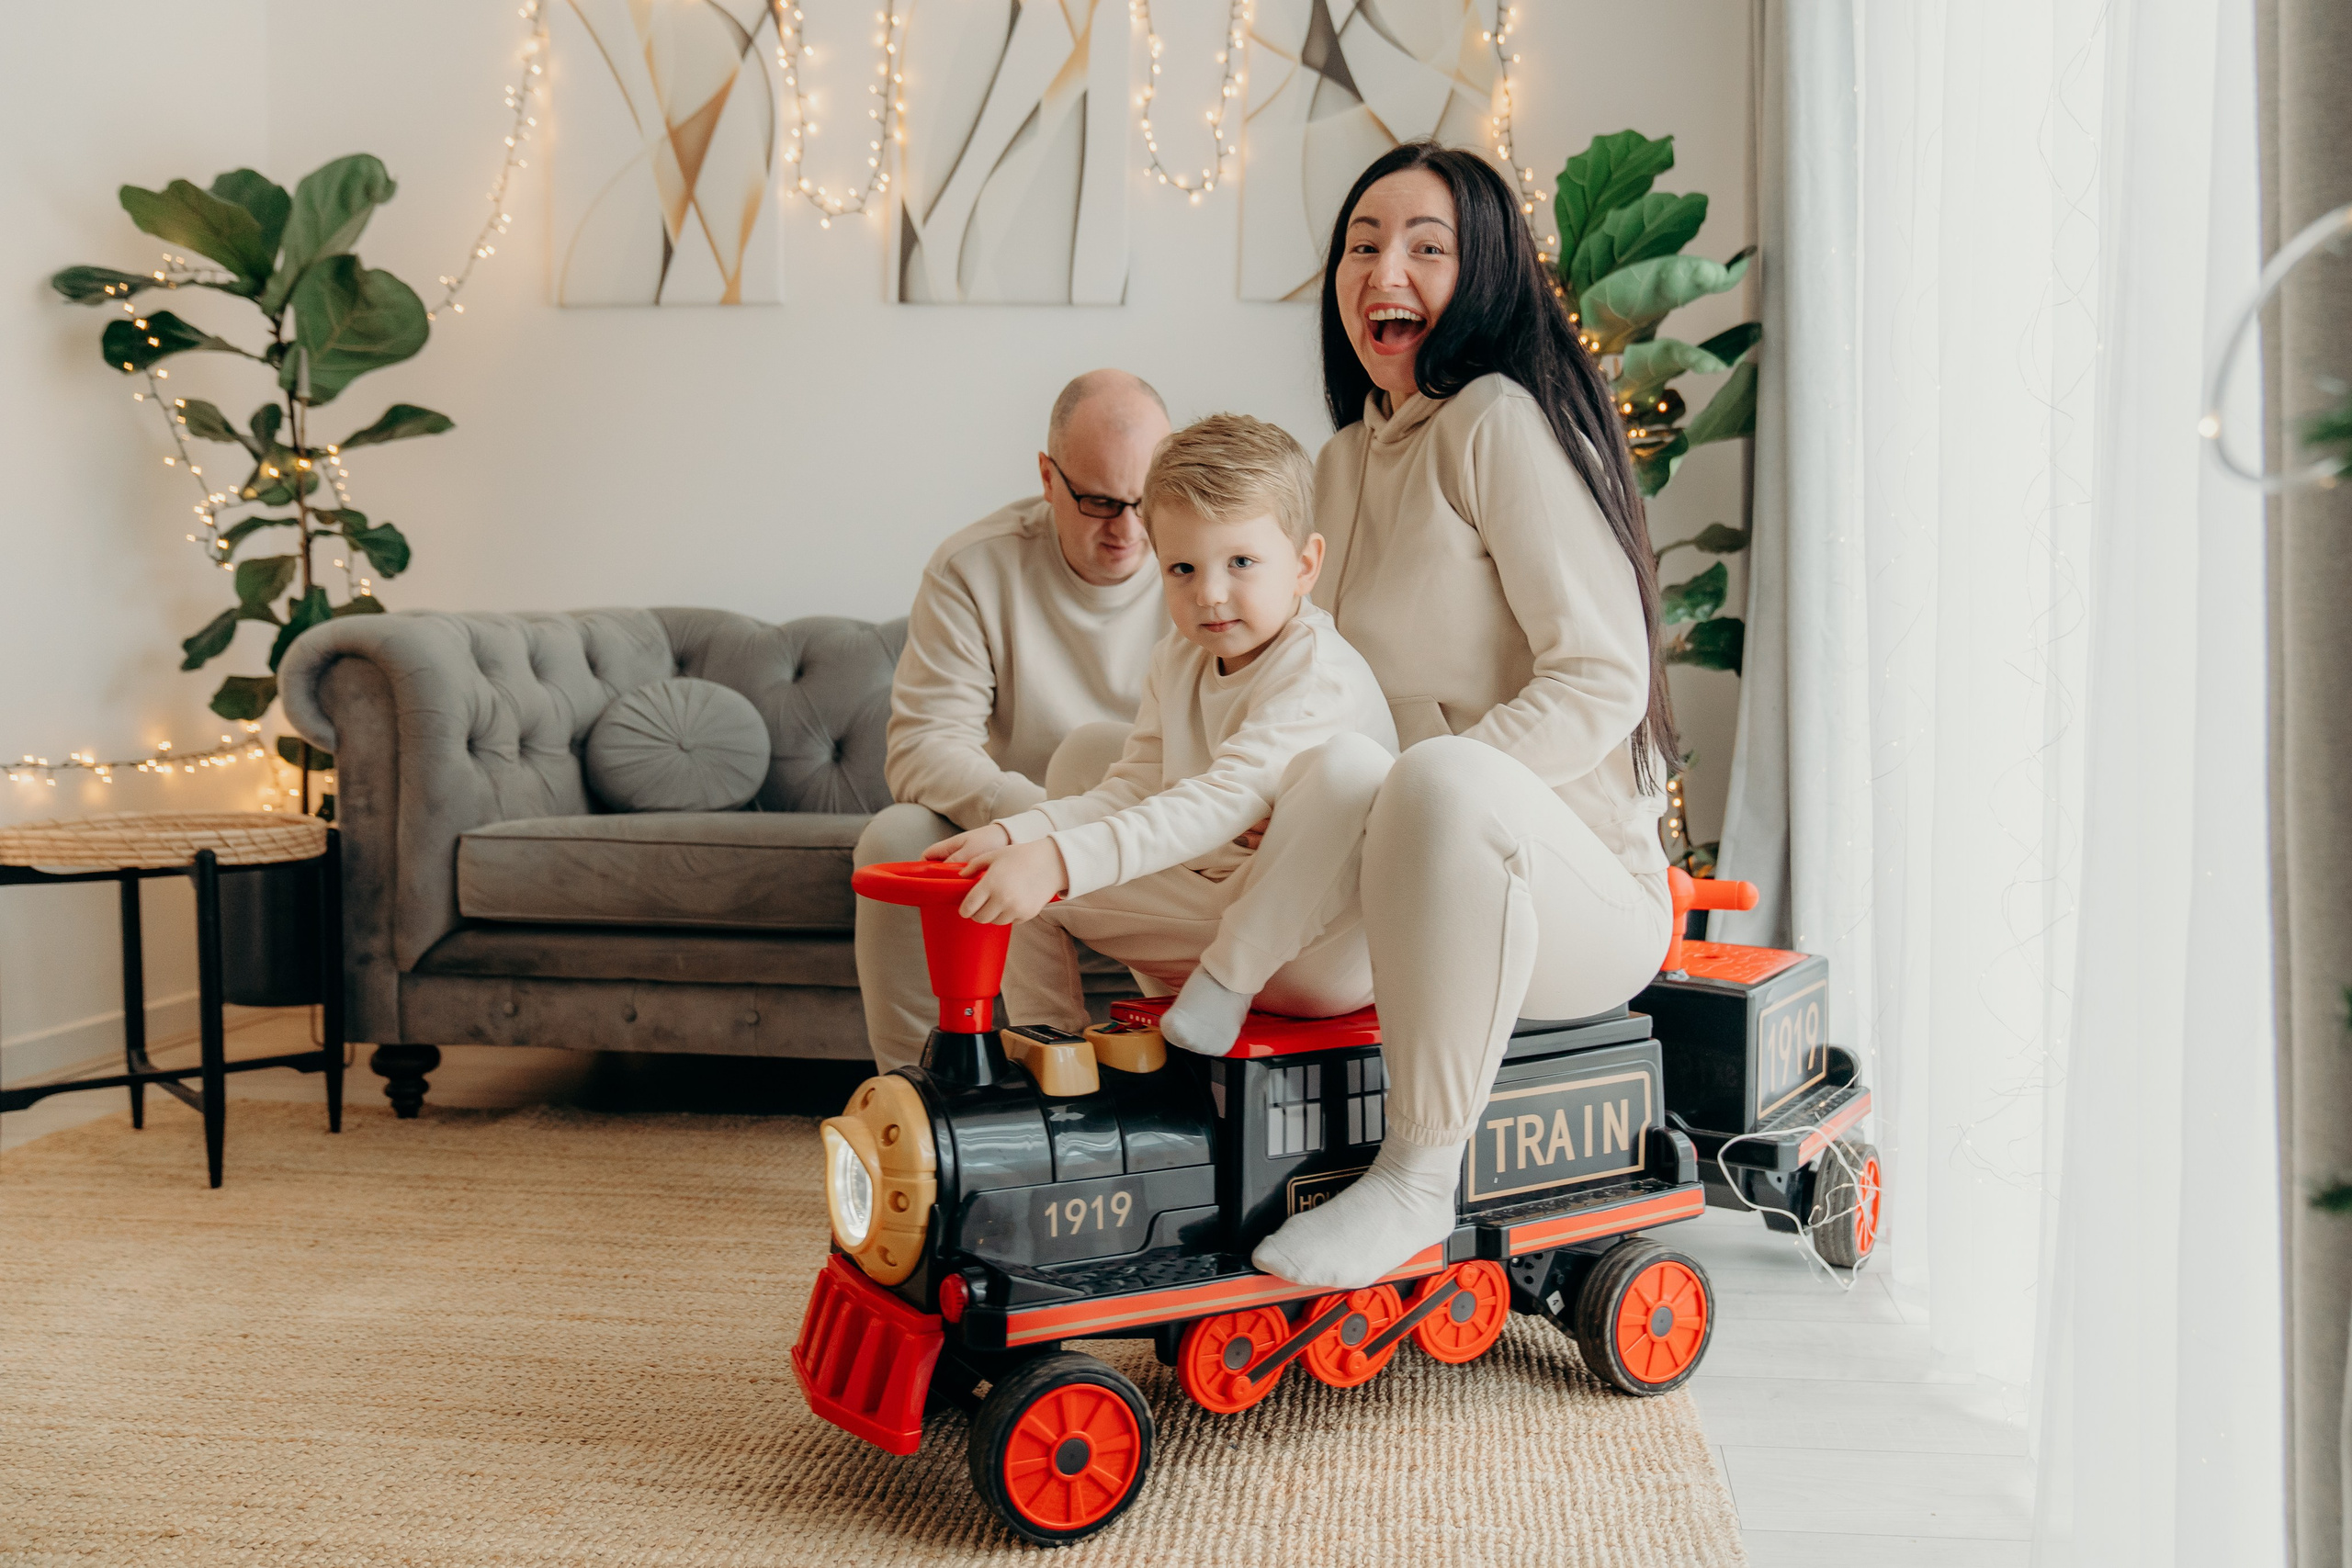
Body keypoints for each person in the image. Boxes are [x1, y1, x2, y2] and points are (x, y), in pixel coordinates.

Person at [1244, 142, 1680, 1292]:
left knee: (1436, 778)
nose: (1384, 267)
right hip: (1406, 895)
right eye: (1362, 243)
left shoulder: (1493, 421)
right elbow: (1302, 699)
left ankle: (1414, 1180)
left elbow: (1600, 678)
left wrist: (1402, 799)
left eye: (1426, 247)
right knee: (1107, 759)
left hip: (1571, 898)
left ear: (1481, 274)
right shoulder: (1334, 468)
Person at [928, 415, 1398, 1053]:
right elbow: (1131, 790)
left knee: (1351, 766)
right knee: (1014, 882)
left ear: (1305, 564)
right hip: (1219, 907)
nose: (1210, 594)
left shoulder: (1317, 672)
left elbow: (1221, 798)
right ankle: (1049, 1051)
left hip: (1322, 951)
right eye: (1182, 568)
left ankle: (1228, 981)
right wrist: (1021, 835)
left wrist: (1063, 858)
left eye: (1241, 562)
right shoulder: (1177, 659)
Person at [854, 369, 1172, 1071]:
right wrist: (1039, 821)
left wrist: (1100, 833)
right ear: (1047, 476)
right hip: (1013, 819)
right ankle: (921, 1094)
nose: (1126, 529)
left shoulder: (1203, 563)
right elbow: (922, 748)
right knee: (895, 835)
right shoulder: (974, 565)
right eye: (1097, 501)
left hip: (1156, 823)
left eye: (1143, 500)